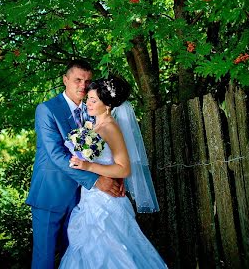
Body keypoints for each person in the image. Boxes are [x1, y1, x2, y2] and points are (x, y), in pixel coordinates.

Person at [59, 75, 168, 269]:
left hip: (106, 203)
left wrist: (88, 167)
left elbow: (124, 168)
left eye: (93, 100)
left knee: (112, 252)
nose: (88, 103)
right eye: (88, 99)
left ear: (107, 105)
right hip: (91, 198)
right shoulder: (94, 126)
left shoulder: (110, 128)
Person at [26, 60, 125, 269]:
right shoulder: (47, 110)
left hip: (83, 201)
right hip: (50, 195)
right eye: (77, 80)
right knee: (44, 259)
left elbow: (109, 148)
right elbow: (56, 154)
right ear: (65, 80)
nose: (83, 85)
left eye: (87, 81)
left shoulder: (94, 109)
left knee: (75, 258)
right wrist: (97, 180)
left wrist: (117, 177)